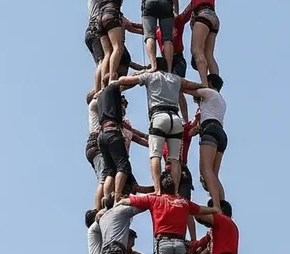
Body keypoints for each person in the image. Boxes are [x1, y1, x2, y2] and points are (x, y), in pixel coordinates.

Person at [119, 56, 204, 194]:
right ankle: (175, 191)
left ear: (155, 65)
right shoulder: (175, 78)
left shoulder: (150, 76)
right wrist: (204, 86)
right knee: (175, 159)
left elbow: (123, 80)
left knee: (155, 155)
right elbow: (193, 85)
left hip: (159, 116)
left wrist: (142, 72)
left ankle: (158, 189)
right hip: (176, 119)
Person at [193, 74, 228, 208]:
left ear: (210, 83)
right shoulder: (221, 100)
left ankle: (216, 206)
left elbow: (188, 90)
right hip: (221, 133)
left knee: (206, 170)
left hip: (209, 130)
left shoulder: (209, 92)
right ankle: (222, 204)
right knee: (214, 174)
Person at [97, 81, 133, 201]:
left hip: (102, 134)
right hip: (112, 131)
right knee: (123, 166)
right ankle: (117, 195)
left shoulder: (100, 96)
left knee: (110, 170)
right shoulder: (112, 88)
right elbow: (127, 82)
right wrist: (141, 76)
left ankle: (107, 199)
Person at [185, 0, 220, 83]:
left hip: (203, 14)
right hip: (213, 16)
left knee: (196, 50)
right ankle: (215, 83)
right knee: (209, 53)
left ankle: (204, 83)